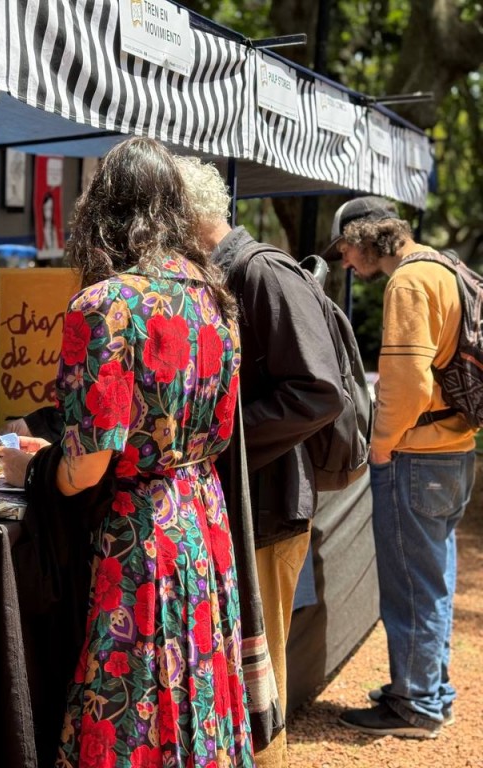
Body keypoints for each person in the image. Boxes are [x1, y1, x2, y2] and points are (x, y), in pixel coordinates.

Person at [0, 137, 254, 767]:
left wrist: (32, 467)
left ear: (101, 210)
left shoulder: (105, 305)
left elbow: (86, 468)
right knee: (194, 675)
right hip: (201, 516)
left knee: (133, 691)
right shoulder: (215, 301)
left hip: (137, 533)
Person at [174, 156, 345, 767]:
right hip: (246, 503)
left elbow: (321, 392)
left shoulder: (261, 272)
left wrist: (217, 436)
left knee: (258, 679)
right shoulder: (221, 274)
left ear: (184, 216)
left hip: (268, 507)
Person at [328, 197, 477, 738]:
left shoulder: (408, 283)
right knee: (432, 578)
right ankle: (430, 691)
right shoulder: (444, 266)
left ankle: (414, 705)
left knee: (411, 583)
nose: (344, 260)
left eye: (345, 247)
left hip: (418, 454)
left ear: (367, 236)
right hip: (454, 448)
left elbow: (407, 383)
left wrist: (382, 445)